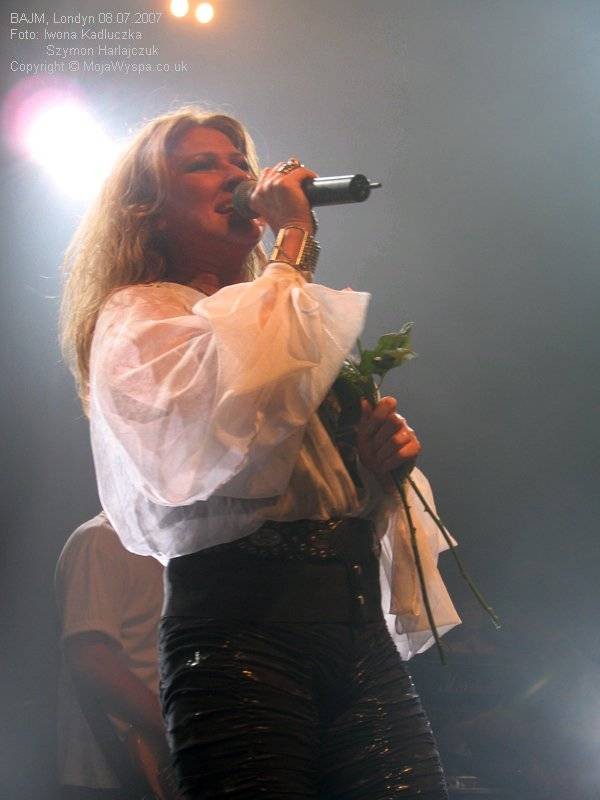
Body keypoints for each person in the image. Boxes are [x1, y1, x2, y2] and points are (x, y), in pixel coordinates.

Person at [60, 106, 461, 799]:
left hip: (356, 638)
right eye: (202, 165)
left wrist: (375, 470)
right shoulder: (139, 315)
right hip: (241, 643)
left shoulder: (277, 313)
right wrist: (295, 239)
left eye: (239, 162)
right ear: (147, 210)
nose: (236, 176)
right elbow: (216, 446)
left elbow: (314, 482)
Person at [55, 512, 168, 800]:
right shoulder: (99, 540)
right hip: (109, 773)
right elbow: (91, 659)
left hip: (159, 765)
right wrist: (173, 730)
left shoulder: (168, 548)